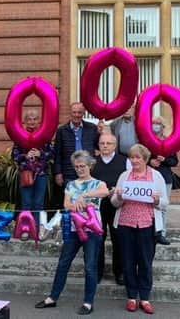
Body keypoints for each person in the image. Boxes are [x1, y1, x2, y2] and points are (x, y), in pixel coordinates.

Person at [35, 150, 109, 316]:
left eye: (82, 166)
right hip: (74, 229)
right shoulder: (70, 184)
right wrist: (75, 204)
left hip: (92, 231)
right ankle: (52, 298)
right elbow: (67, 205)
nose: (79, 169)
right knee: (63, 263)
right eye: (76, 167)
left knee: (90, 267)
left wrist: (85, 195)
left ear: (90, 165)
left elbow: (105, 192)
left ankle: (88, 302)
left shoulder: (98, 183)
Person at [111, 144, 169, 315]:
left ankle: (144, 297)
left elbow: (165, 204)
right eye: (132, 157)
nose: (134, 160)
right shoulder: (124, 176)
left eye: (138, 157)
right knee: (128, 262)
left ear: (145, 159)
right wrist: (119, 196)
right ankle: (131, 297)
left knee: (145, 262)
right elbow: (115, 202)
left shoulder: (156, 176)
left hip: (146, 224)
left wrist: (157, 200)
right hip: (125, 223)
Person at [91, 133, 129, 285]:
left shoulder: (125, 161)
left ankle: (119, 272)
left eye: (108, 143)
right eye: (102, 143)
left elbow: (129, 181)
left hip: (117, 205)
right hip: (97, 207)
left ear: (115, 145)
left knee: (118, 239)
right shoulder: (93, 162)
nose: (105, 146)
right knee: (98, 240)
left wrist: (119, 190)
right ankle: (98, 272)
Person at [12, 109, 54, 224]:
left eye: (34, 119)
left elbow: (51, 153)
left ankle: (36, 228)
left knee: (39, 203)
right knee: (26, 202)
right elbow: (14, 156)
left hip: (41, 173)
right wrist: (26, 156)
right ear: (25, 121)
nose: (32, 122)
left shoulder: (45, 135)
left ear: (39, 121)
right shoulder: (19, 135)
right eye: (29, 119)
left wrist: (41, 154)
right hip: (26, 174)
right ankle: (26, 228)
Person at [53, 102, 100, 186]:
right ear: (70, 113)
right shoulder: (62, 130)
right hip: (69, 172)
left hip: (89, 172)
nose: (76, 115)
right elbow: (58, 154)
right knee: (71, 197)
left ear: (83, 113)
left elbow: (98, 147)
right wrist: (58, 173)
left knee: (88, 197)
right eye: (74, 112)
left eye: (79, 112)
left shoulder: (92, 128)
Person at [148, 116, 177, 245]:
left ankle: (161, 233)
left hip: (165, 178)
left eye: (158, 123)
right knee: (150, 205)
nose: (156, 126)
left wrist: (164, 160)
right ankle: (150, 231)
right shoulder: (147, 140)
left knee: (163, 206)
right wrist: (150, 162)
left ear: (163, 126)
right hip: (150, 177)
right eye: (154, 123)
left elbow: (174, 161)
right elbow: (141, 157)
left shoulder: (169, 141)